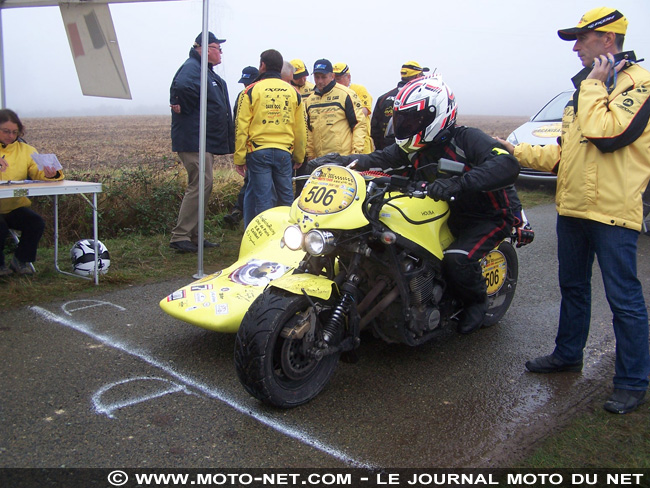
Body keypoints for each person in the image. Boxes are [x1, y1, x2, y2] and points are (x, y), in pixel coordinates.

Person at [497, 7, 650, 415]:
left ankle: (633, 381)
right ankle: (567, 355)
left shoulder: (640, 85)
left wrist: (594, 86)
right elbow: (565, 156)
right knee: (574, 289)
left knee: (624, 300)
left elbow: (608, 135)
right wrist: (514, 150)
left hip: (613, 213)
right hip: (574, 209)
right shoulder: (584, 91)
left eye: (582, 39)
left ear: (608, 40)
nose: (577, 48)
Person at [310, 75, 521, 335]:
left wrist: (459, 183)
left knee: (457, 259)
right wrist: (342, 160)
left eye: (413, 119)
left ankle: (476, 303)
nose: (406, 125)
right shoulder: (417, 146)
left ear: (437, 114)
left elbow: (506, 164)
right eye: (402, 119)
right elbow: (380, 157)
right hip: (445, 213)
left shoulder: (468, 139)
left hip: (486, 215)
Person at [169, 31, 234, 253]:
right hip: (194, 140)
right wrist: (181, 105)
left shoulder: (203, 71)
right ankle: (180, 236)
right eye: (218, 48)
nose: (221, 52)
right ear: (205, 49)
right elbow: (181, 88)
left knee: (204, 186)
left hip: (202, 140)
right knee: (199, 186)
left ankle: (195, 235)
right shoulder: (192, 68)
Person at [233, 49, 307, 228]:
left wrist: (239, 158)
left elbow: (241, 126)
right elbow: (300, 128)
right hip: (284, 153)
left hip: (258, 152)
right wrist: (299, 155)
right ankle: (288, 238)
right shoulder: (294, 92)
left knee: (263, 199)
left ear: (263, 66)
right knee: (286, 198)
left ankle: (264, 241)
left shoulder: (250, 91)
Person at [0, 109, 64, 276]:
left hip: (14, 206)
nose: (10, 135)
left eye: (14, 132)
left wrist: (52, 174)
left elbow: (37, 172)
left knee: (35, 223)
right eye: (6, 131)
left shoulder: (26, 150)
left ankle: (20, 262)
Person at [223, 65, 261, 229]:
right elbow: (237, 124)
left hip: (259, 147)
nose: (246, 86)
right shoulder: (242, 96)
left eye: (248, 82)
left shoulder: (258, 93)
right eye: (244, 83)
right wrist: (239, 151)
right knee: (250, 182)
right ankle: (240, 214)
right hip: (249, 148)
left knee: (252, 183)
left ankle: (240, 214)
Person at [371, 61, 430, 150]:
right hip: (412, 151)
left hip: (385, 152)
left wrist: (381, 150)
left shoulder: (383, 98)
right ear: (418, 76)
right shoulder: (423, 97)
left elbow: (374, 129)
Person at [333, 63, 374, 153]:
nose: (336, 82)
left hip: (361, 140)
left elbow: (365, 111)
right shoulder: (333, 94)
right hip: (342, 143)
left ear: (348, 77)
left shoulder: (359, 89)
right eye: (334, 79)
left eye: (338, 79)